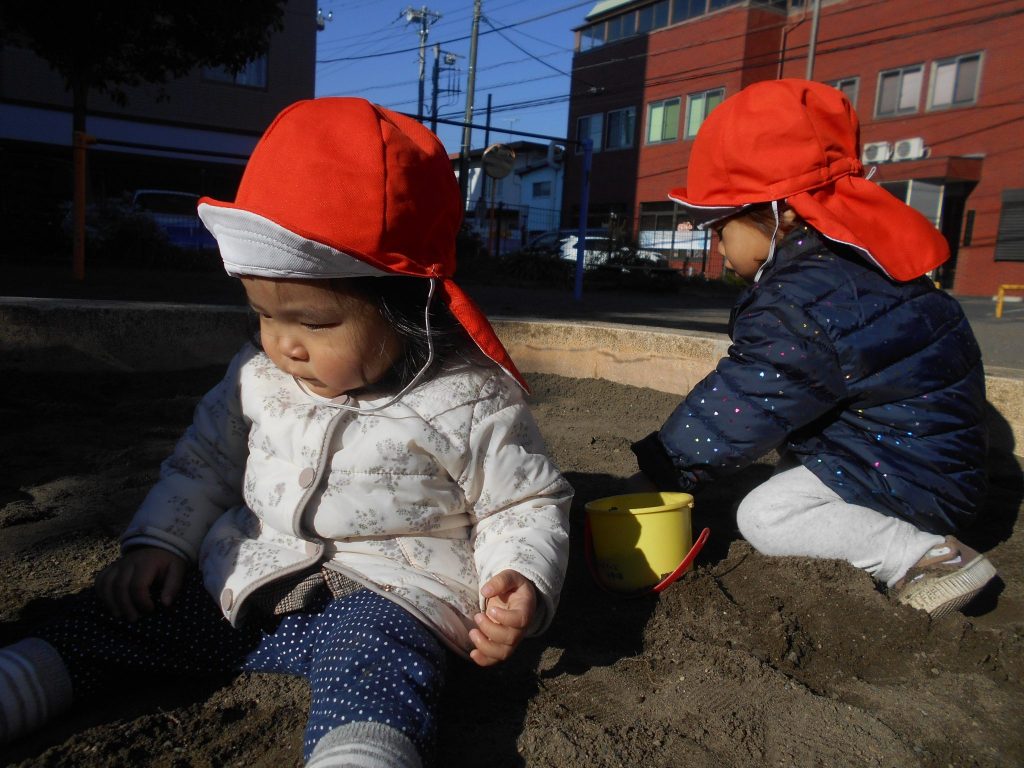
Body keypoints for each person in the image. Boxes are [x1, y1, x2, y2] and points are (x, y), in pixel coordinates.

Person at [0, 98, 572, 767]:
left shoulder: (469, 398)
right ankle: (20, 683)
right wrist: (163, 541)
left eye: (314, 323)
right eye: (263, 317)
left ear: (406, 306)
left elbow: (523, 502)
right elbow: (204, 463)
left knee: (379, 670)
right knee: (118, 619)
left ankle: (359, 756)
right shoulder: (257, 374)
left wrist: (517, 576)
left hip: (391, 594)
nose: (284, 345)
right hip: (244, 576)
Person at [630, 79, 995, 619]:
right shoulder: (858, 268)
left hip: (910, 479)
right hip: (924, 456)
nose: (718, 244)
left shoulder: (804, 300)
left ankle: (925, 557)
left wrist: (664, 468)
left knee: (764, 515)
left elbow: (748, 401)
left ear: (783, 213)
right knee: (787, 472)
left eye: (721, 225)